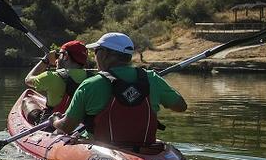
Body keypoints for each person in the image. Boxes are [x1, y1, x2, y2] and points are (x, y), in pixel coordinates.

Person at [53, 32, 187, 148]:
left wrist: (54, 121)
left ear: (104, 54)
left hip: (100, 148)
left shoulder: (90, 84)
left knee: (61, 132)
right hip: (146, 148)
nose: (94, 56)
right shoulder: (151, 78)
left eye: (96, 51)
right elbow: (181, 106)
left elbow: (66, 127)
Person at [22, 40, 90, 123]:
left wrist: (45, 60)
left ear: (66, 56)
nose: (57, 59)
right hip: (79, 122)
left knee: (27, 100)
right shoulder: (92, 77)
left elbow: (28, 80)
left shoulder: (52, 76)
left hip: (53, 122)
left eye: (60, 55)